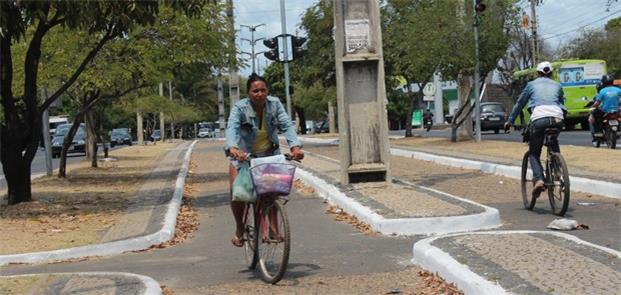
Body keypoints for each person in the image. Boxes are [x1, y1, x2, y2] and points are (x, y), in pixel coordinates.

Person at [224, 73, 304, 247]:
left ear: (267, 91)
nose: (259, 94)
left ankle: (274, 228)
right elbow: (232, 128)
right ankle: (239, 228)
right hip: (244, 157)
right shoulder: (239, 108)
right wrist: (233, 148)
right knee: (237, 193)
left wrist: (295, 147)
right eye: (255, 91)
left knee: (271, 192)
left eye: (262, 90)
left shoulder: (274, 104)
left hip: (269, 154)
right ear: (248, 93)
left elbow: (287, 126)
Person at [504, 61, 566, 194]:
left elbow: (520, 104)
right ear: (551, 73)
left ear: (537, 73)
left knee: (533, 153)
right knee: (553, 140)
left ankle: (539, 179)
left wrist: (510, 121)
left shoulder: (531, 85)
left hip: (539, 119)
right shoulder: (558, 85)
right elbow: (562, 102)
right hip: (557, 118)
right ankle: (558, 170)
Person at [590, 74, 621, 139]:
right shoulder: (618, 90)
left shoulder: (602, 91)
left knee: (596, 115)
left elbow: (598, 103)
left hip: (605, 111)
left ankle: (599, 132)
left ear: (603, 82)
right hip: (617, 110)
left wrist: (592, 106)